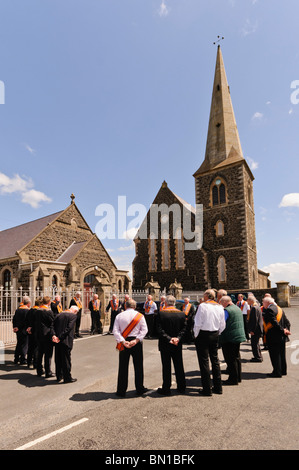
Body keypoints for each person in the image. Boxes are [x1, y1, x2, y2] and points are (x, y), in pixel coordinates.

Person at [113, 298, 148, 397]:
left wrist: (123, 341)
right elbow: (144, 330)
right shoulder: (140, 316)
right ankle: (140, 388)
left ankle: (121, 390)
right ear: (135, 306)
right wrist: (136, 340)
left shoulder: (119, 316)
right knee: (138, 366)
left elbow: (115, 331)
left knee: (123, 367)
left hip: (124, 342)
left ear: (125, 306)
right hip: (136, 342)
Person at [193, 289, 226, 396]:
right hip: (215, 334)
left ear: (208, 296)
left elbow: (197, 323)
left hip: (203, 334)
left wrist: (196, 335)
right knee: (215, 360)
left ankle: (207, 389)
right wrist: (218, 333)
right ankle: (218, 387)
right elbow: (222, 324)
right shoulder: (220, 307)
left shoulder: (203, 306)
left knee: (204, 362)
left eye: (204, 294)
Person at [156, 295, 187, 395]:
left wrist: (169, 338)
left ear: (165, 303)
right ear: (174, 303)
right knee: (179, 364)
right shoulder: (182, 314)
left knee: (166, 366)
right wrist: (178, 338)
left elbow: (159, 329)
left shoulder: (161, 313)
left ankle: (166, 388)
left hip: (165, 343)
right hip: (177, 343)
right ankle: (181, 387)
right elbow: (185, 329)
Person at [219, 296, 246, 385]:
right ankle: (238, 377)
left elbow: (222, 323)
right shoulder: (237, 308)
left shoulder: (227, 310)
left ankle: (233, 379)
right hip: (237, 336)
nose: (221, 305)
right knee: (237, 357)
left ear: (225, 302)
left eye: (221, 303)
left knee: (230, 359)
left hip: (229, 337)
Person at [262, 296, 291, 377]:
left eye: (263, 302)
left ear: (268, 302)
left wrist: (282, 330)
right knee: (282, 354)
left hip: (274, 337)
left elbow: (274, 322)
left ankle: (277, 372)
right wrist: (286, 330)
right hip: (282, 336)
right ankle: (283, 370)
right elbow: (287, 322)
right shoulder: (279, 309)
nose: (262, 304)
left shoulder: (269, 309)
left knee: (275, 355)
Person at [53, 305, 78, 383]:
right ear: (75, 311)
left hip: (57, 340)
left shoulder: (59, 314)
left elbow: (52, 326)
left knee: (58, 358)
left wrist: (54, 336)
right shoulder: (73, 316)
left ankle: (59, 376)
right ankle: (67, 377)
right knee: (66, 359)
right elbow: (69, 328)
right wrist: (60, 337)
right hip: (65, 340)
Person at [35, 296, 58, 377]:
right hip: (47, 334)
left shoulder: (37, 311)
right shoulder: (48, 312)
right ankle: (48, 371)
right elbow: (52, 323)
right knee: (48, 354)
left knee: (40, 352)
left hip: (38, 334)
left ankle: (39, 370)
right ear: (49, 302)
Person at [12, 296, 31, 365]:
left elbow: (14, 319)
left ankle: (16, 358)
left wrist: (15, 326)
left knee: (19, 343)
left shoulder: (18, 310)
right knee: (25, 345)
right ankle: (22, 358)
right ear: (28, 303)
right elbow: (28, 321)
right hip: (24, 329)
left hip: (18, 330)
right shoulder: (28, 311)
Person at [26, 297, 42, 369]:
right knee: (36, 348)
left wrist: (29, 327)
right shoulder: (37, 311)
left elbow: (26, 320)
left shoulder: (30, 310)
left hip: (30, 330)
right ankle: (35, 363)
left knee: (30, 347)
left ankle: (29, 362)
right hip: (35, 331)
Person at [247, 294, 264, 362]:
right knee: (256, 343)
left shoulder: (254, 308)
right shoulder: (257, 306)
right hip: (258, 328)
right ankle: (258, 356)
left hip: (255, 329)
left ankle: (257, 357)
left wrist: (252, 330)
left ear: (251, 300)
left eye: (248, 300)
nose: (247, 301)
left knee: (254, 344)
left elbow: (254, 320)